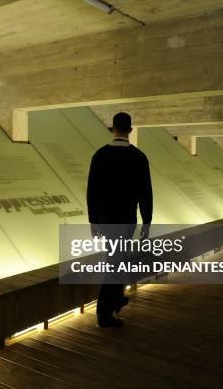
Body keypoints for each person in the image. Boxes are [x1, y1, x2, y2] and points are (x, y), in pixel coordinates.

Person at [86, 112, 153, 327]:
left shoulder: (100, 155)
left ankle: (114, 301)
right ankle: (106, 312)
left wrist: (93, 220)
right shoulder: (139, 157)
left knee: (115, 260)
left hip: (106, 220)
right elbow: (145, 193)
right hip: (127, 220)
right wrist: (147, 221)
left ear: (112, 128)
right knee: (116, 262)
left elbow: (92, 191)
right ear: (130, 130)